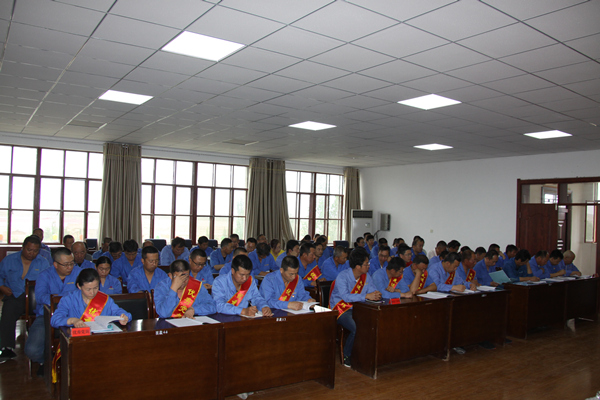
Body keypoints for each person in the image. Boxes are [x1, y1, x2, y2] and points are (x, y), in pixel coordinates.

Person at [24, 247, 82, 370]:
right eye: (66, 264)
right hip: (47, 316)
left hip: (74, 315)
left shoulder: (79, 273)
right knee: (32, 350)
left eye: (72, 263)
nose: (70, 267)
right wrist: (66, 299)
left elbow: (85, 294)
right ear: (55, 264)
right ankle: (46, 362)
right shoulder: (45, 275)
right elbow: (40, 297)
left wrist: (57, 298)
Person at [330, 248, 381, 367]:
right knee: (355, 327)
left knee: (374, 322)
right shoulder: (343, 277)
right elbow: (346, 297)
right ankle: (347, 355)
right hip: (341, 308)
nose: (368, 266)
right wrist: (366, 296)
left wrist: (376, 294)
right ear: (358, 266)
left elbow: (372, 290)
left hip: (359, 308)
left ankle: (364, 353)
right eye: (366, 264)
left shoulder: (366, 276)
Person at [0, 235, 48, 361]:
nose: (31, 253)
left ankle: (40, 345)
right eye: (29, 250)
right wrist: (1, 286)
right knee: (8, 311)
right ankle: (6, 348)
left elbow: (48, 280)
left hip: (35, 298)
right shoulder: (9, 260)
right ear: (23, 247)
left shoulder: (43, 262)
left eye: (35, 251)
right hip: (14, 296)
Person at [50, 268, 130, 328]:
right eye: (88, 289)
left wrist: (124, 317)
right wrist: (72, 320)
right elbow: (54, 320)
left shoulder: (104, 299)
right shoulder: (69, 299)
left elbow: (121, 312)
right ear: (79, 286)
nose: (92, 292)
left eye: (95, 288)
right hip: (78, 339)